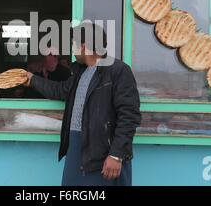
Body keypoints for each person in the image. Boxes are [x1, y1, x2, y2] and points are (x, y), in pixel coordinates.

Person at [24, 22, 141, 186]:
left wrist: (116, 154)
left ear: (84, 46)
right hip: (76, 147)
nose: (72, 48)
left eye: (73, 43)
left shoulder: (118, 70)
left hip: (103, 152)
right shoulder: (80, 72)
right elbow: (59, 90)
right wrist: (32, 79)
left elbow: (129, 116)